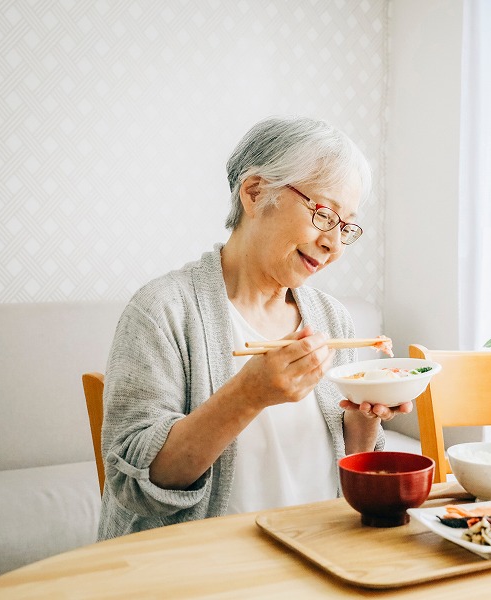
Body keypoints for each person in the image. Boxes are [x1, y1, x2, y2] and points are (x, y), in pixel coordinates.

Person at [98, 117, 410, 539]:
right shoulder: (163, 311)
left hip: (319, 553)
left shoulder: (332, 319)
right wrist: (248, 395)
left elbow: (350, 467)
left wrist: (367, 416)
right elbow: (134, 487)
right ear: (255, 192)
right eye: (324, 214)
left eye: (346, 226)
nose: (333, 244)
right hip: (208, 568)